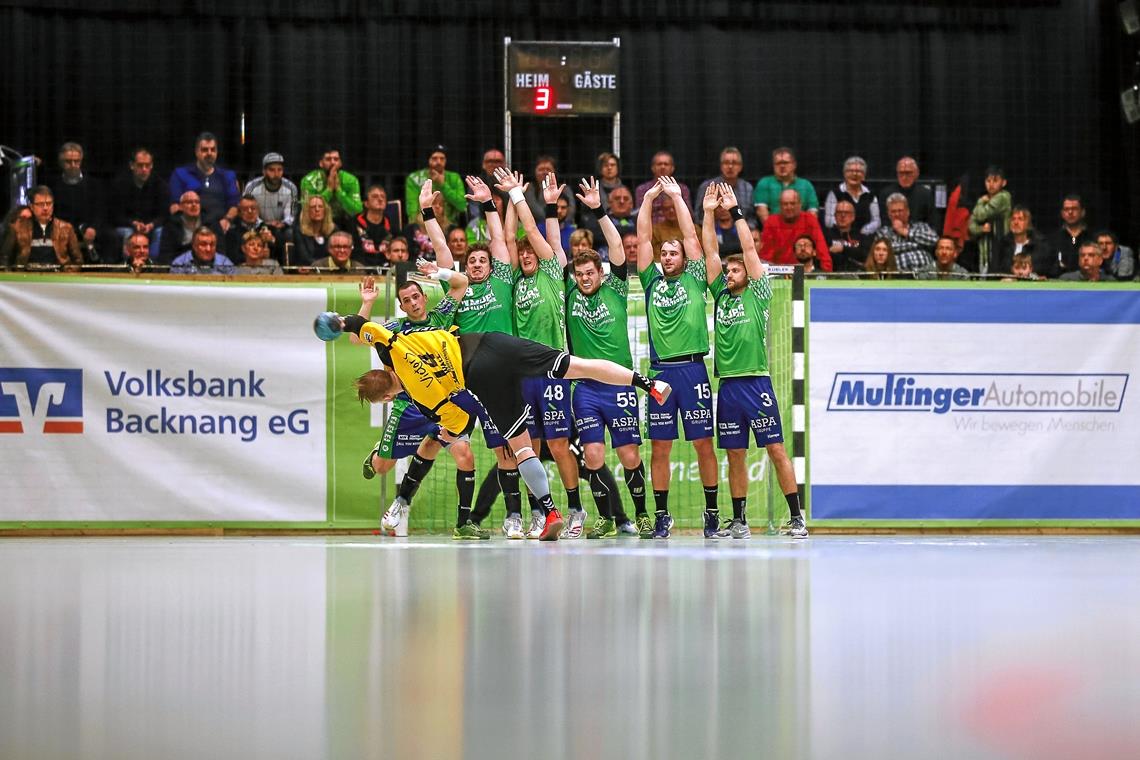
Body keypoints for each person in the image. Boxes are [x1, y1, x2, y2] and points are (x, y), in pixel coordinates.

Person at [315, 315, 671, 544]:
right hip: (489, 342)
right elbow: (360, 323)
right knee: (577, 366)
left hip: (479, 376)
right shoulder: (393, 344)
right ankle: (647, 384)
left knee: (521, 448)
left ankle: (549, 512)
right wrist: (337, 322)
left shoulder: (423, 398)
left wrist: (450, 430)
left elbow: (454, 422)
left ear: (389, 395)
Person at [701, 183, 807, 539]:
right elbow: (710, 250)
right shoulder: (721, 295)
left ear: (748, 273)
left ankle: (797, 517)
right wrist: (707, 213)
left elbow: (747, 247)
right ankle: (740, 520)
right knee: (734, 455)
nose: (729, 275)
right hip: (728, 385)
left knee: (776, 448)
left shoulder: (758, 292)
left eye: (736, 271)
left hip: (756, 382)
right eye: (727, 272)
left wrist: (735, 212)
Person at [354, 262, 484, 540]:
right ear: (401, 306)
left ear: (424, 297)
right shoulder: (394, 329)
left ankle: (463, 523)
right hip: (410, 406)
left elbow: (461, 283)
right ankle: (379, 454)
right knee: (382, 467)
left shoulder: (441, 318)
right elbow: (357, 336)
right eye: (406, 300)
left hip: (444, 403)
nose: (413, 303)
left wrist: (440, 274)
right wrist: (367, 304)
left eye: (416, 297)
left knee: (465, 455)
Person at [433, 175, 528, 537]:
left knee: (510, 449)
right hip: (470, 379)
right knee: (474, 447)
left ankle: (515, 516)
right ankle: (486, 516)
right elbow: (442, 251)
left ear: (490, 266)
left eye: (480, 261)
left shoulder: (501, 281)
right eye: (470, 261)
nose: (475, 265)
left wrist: (490, 203)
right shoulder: (457, 289)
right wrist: (428, 211)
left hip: (504, 373)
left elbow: (501, 241)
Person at [501, 167, 588, 539]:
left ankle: (576, 508)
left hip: (551, 368)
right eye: (521, 253)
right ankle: (540, 511)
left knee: (558, 443)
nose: (525, 255)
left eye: (529, 251)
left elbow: (533, 233)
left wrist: (521, 197)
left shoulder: (552, 271)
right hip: (523, 373)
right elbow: (507, 238)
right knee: (529, 445)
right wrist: (506, 198)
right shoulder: (514, 281)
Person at [637, 176, 720, 539]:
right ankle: (661, 515)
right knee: (660, 447)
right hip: (661, 375)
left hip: (692, 370)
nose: (669, 257)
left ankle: (713, 512)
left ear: (684, 259)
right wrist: (649, 199)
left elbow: (691, 236)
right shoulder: (651, 281)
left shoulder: (696, 278)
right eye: (664, 254)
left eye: (674, 254)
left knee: (704, 443)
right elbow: (642, 238)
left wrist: (676, 197)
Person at [567, 177, 647, 538]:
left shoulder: (615, 286)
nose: (585, 278)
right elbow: (554, 251)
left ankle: (643, 514)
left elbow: (616, 243)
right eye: (579, 274)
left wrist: (598, 209)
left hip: (619, 386)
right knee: (593, 456)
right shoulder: (569, 294)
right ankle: (605, 516)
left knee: (629, 455)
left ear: (600, 273)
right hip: (585, 388)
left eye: (589, 273)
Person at [168, 132, 240, 231]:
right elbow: (174, 206)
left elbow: (234, 206)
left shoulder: (228, 176)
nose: (209, 153)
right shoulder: (180, 174)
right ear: (196, 152)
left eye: (213, 150)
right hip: (190, 227)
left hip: (221, 227)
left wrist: (227, 220)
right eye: (205, 150)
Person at [48, 141, 104, 263]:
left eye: (76, 161)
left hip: (87, 229)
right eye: (68, 162)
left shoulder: (94, 185)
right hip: (62, 230)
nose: (73, 165)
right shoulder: (53, 186)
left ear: (81, 161)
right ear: (61, 163)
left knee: (110, 236)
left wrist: (94, 228)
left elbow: (100, 211)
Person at [108, 147, 169, 257]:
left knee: (160, 232)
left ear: (152, 166)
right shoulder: (120, 185)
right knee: (127, 233)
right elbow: (115, 215)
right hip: (128, 226)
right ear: (132, 165)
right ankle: (128, 266)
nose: (144, 169)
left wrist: (151, 225)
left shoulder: (160, 185)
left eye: (147, 165)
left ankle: (153, 266)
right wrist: (133, 223)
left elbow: (164, 214)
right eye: (140, 165)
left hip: (151, 227)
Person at [3, 186, 82, 270]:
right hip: (26, 278)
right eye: (40, 204)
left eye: (49, 203)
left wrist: (67, 276)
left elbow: (78, 261)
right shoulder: (17, 227)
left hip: (58, 278)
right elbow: (5, 258)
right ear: (32, 207)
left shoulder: (66, 228)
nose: (45, 208)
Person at [759, 189, 832, 270]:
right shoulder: (771, 222)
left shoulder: (810, 220)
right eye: (785, 204)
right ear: (780, 206)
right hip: (779, 274)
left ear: (800, 204)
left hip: (805, 273)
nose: (789, 207)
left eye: (793, 203)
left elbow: (822, 251)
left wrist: (826, 274)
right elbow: (766, 256)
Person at [753, 147, 819, 224]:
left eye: (785, 162)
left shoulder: (806, 185)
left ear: (794, 165)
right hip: (773, 231)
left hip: (801, 232)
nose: (782, 166)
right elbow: (762, 213)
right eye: (778, 163)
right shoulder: (764, 183)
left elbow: (813, 213)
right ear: (773, 165)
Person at [874, 193, 939, 272]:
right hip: (899, 275)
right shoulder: (883, 232)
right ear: (889, 214)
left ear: (907, 212)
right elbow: (887, 251)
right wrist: (917, 244)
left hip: (925, 273)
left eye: (900, 210)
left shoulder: (921, 227)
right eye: (893, 211)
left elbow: (935, 241)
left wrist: (905, 232)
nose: (897, 214)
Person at [300, 147, 362, 227]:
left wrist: (339, 191)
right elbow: (307, 210)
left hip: (343, 221)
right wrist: (329, 190)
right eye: (328, 159)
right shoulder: (308, 180)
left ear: (340, 163)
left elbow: (357, 210)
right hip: (317, 222)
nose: (332, 162)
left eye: (336, 159)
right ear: (321, 163)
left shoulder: (351, 180)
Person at [967, 166, 1012, 274]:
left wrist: (980, 202)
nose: (991, 184)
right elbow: (971, 225)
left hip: (1002, 247)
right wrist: (981, 228)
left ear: (1004, 182)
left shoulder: (1003, 197)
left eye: (995, 181)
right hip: (984, 251)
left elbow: (981, 215)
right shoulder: (984, 199)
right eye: (988, 181)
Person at [694, 146, 755, 226]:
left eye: (734, 163)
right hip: (712, 232)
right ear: (721, 166)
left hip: (740, 233)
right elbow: (698, 216)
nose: (730, 166)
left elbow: (751, 217)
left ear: (740, 167)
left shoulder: (747, 188)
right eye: (726, 163)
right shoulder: (708, 186)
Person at [405, 145, 465, 224]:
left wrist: (443, 184)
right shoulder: (415, 178)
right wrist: (415, 227)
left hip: (450, 225)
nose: (439, 162)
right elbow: (412, 210)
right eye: (434, 158)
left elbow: (462, 206)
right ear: (428, 160)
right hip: (423, 224)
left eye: (442, 158)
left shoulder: (454, 177)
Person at [823, 156, 879, 236]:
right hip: (839, 236)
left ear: (864, 176)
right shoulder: (835, 193)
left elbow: (876, 221)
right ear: (844, 174)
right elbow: (829, 221)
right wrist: (845, 230)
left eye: (858, 171)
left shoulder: (870, 195)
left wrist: (863, 232)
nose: (854, 174)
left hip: (864, 237)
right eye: (850, 171)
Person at [158, 191, 219, 264]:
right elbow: (166, 254)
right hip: (180, 266)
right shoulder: (171, 225)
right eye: (189, 202)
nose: (194, 205)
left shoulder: (211, 223)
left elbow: (220, 250)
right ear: (180, 206)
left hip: (208, 266)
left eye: (197, 202)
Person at [243, 152, 299, 232]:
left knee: (290, 232)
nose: (276, 174)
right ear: (264, 171)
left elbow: (291, 215)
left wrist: (283, 224)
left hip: (281, 228)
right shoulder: (252, 187)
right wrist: (264, 224)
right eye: (272, 170)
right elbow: (247, 212)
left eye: (279, 170)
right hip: (257, 227)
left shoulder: (291, 188)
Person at [878, 156, 937, 228]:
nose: (904, 177)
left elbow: (933, 222)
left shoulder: (926, 194)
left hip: (920, 235)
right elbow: (883, 222)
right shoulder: (886, 194)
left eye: (908, 173)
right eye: (901, 173)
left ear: (917, 173)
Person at [634, 151, 691, 224]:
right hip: (650, 229)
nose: (662, 167)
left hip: (677, 229)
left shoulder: (682, 189)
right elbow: (640, 213)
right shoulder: (642, 189)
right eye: (659, 164)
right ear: (653, 168)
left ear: (672, 168)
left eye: (666, 164)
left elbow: (689, 213)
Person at [1044, 195, 1092, 279]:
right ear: (1062, 214)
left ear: (1082, 212)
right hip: (1059, 285)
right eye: (1066, 209)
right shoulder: (1051, 239)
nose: (1070, 212)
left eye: (1074, 209)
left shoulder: (1092, 237)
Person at [992, 206, 1049, 276]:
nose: (1016, 222)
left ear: (1028, 223)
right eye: (1013, 219)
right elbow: (995, 270)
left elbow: (1045, 270)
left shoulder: (1040, 245)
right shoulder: (1002, 244)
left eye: (1020, 219)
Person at [222, 195, 279, 263]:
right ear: (239, 213)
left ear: (258, 210)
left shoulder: (270, 230)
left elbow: (279, 256)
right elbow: (232, 258)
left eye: (253, 208)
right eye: (245, 209)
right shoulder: (232, 232)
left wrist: (272, 241)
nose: (250, 211)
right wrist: (256, 256)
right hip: (241, 270)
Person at [352, 185, 394, 268]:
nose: (380, 199)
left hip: (386, 270)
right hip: (360, 269)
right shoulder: (354, 223)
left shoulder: (392, 225)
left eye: (383, 197)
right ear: (366, 203)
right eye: (375, 196)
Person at [823, 198, 868, 271]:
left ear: (853, 217)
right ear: (834, 216)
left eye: (847, 212)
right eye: (839, 212)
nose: (843, 215)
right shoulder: (825, 235)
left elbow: (864, 255)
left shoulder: (861, 237)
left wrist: (843, 249)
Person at [292, 195, 336, 267]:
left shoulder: (333, 230)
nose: (317, 209)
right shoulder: (300, 231)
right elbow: (304, 258)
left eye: (320, 207)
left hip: (331, 272)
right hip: (309, 272)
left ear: (325, 210)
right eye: (313, 207)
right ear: (307, 211)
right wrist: (322, 267)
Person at [170, 226, 235, 274]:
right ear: (194, 246)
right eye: (203, 244)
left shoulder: (225, 263)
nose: (208, 249)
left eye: (212, 244)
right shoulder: (180, 264)